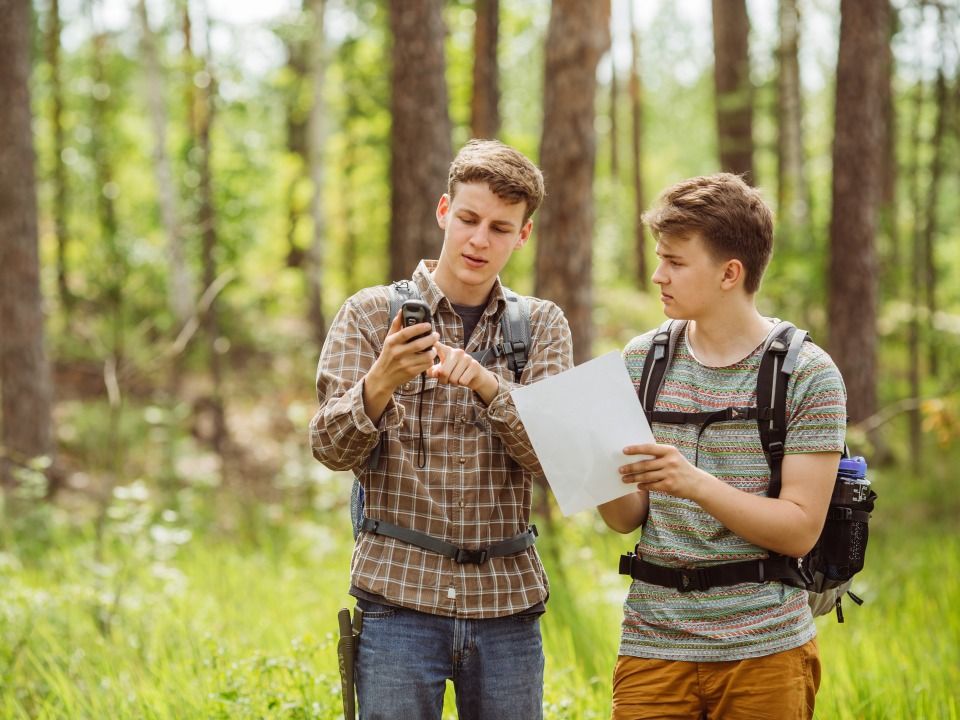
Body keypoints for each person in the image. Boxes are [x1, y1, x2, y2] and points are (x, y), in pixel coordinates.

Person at [310, 139, 573, 720]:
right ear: (443, 210)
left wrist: (489, 388)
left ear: (523, 235)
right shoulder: (369, 313)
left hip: (507, 606)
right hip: (398, 602)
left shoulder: (543, 326)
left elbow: (557, 462)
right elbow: (327, 446)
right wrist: (380, 380)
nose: (480, 240)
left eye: (501, 228)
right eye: (470, 219)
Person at [598, 173, 847, 720]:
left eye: (676, 262)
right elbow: (626, 518)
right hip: (652, 646)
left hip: (766, 648)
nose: (658, 275)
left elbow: (800, 529)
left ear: (730, 273)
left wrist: (695, 483)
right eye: (659, 257)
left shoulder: (807, 374)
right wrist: (589, 466)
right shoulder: (641, 362)